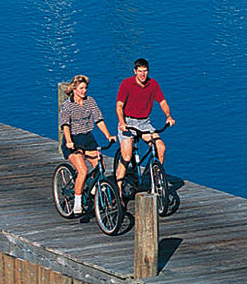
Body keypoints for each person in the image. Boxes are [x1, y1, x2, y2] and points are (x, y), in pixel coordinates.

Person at [58, 74, 115, 216]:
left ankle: (94, 188)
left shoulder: (90, 101)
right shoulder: (67, 106)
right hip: (73, 139)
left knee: (100, 165)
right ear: (74, 89)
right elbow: (65, 125)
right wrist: (69, 141)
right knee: (82, 170)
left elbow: (99, 120)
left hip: (87, 139)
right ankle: (77, 203)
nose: (84, 91)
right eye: (81, 88)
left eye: (85, 88)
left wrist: (108, 136)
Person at [115, 58, 175, 191]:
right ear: (135, 71)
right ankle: (118, 190)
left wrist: (168, 116)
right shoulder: (126, 84)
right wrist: (122, 122)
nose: (142, 74)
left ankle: (155, 175)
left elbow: (162, 102)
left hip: (144, 122)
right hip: (128, 122)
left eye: (145, 71)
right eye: (140, 71)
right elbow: (119, 106)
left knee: (160, 147)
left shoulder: (153, 84)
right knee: (126, 156)